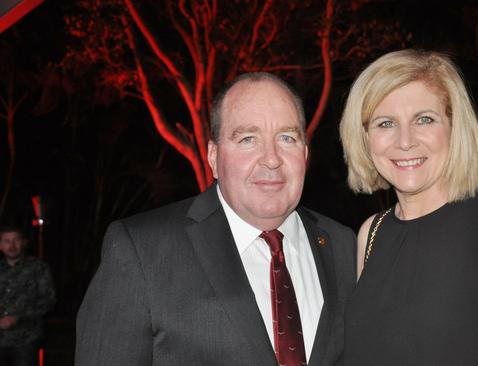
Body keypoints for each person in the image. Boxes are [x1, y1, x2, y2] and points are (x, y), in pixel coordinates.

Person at [75, 72, 356, 366]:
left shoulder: (343, 245)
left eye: (287, 138)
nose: (271, 158)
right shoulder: (142, 251)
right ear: (213, 157)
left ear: (305, 153)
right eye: (248, 139)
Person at [339, 50, 478, 365]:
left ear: (455, 128)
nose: (405, 141)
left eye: (424, 119)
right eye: (386, 123)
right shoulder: (370, 234)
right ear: (364, 138)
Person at [0, 226, 56, 366]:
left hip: (26, 340)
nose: (12, 245)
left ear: (23, 242)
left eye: (16, 240)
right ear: (0, 245)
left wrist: (18, 317)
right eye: (7, 241)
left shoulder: (38, 268)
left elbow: (49, 300)